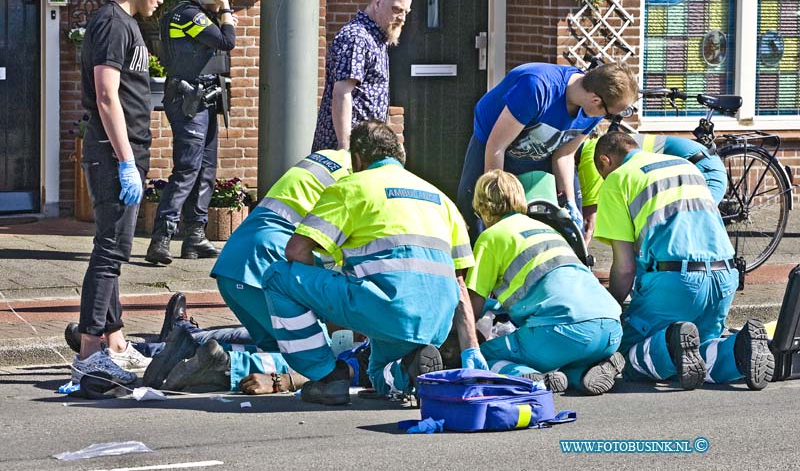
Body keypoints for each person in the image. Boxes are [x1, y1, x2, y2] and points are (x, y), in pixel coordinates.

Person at [263, 120, 486, 406]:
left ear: (357, 159)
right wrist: (471, 351)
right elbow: (458, 283)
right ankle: (405, 370)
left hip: (385, 307)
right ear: (399, 155)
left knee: (278, 277)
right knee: (377, 374)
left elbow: (296, 251)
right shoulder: (441, 199)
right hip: (436, 323)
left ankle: (327, 377)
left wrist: (323, 305)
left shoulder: (351, 187)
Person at [593, 132, 773, 391]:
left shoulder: (618, 179)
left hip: (675, 282)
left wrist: (611, 310)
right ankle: (738, 350)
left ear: (605, 161)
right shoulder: (685, 165)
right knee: (700, 350)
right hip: (724, 278)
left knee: (627, 352)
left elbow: (624, 268)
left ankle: (669, 343)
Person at [72, 0, 173, 384]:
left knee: (113, 249)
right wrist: (127, 161)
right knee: (110, 251)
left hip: (124, 152)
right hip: (115, 153)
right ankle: (90, 349)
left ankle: (114, 341)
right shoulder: (113, 23)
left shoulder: (128, 25)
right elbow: (106, 95)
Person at [466, 170, 624, 395]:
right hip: (610, 328)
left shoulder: (492, 237)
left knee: (484, 356)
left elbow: (472, 305)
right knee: (565, 355)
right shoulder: (547, 230)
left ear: (481, 205)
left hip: (561, 332)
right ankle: (587, 372)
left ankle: (528, 377)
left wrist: (457, 340)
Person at [456, 61, 639, 243]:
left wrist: (570, 204)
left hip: (543, 149)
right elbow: (496, 146)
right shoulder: (537, 87)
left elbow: (565, 154)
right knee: (479, 214)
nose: (606, 118)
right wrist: (496, 206)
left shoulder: (591, 111)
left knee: (570, 224)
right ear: (596, 100)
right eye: (609, 115)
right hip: (493, 145)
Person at [210, 149, 352, 353]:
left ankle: (188, 351)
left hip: (233, 265)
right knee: (319, 355)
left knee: (276, 353)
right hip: (263, 267)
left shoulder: (331, 158)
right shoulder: (362, 185)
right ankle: (192, 352)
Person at [146, 0, 238, 265]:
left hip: (204, 97)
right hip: (189, 98)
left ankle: (194, 237)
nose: (228, 3)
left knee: (206, 170)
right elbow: (227, 41)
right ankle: (161, 238)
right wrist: (224, 12)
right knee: (187, 169)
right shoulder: (188, 14)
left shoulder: (196, 15)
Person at [311, 0, 413, 151]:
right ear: (378, 3)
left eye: (406, 12)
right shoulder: (357, 37)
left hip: (366, 148)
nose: (402, 18)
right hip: (351, 151)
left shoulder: (378, 38)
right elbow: (342, 94)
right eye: (396, 9)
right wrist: (344, 149)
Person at [578, 133, 726, 243]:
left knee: (691, 228)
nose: (606, 178)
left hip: (703, 168)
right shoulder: (601, 146)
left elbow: (590, 218)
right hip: (702, 160)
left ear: (605, 160)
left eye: (604, 175)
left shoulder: (591, 157)